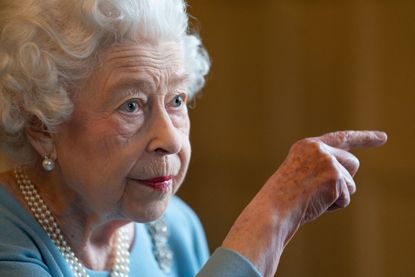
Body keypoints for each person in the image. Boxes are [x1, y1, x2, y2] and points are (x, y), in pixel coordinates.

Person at [0, 0, 387, 276]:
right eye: (131, 106)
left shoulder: (176, 227)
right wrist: (271, 216)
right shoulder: (9, 242)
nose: (169, 138)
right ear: (42, 126)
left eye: (177, 100)